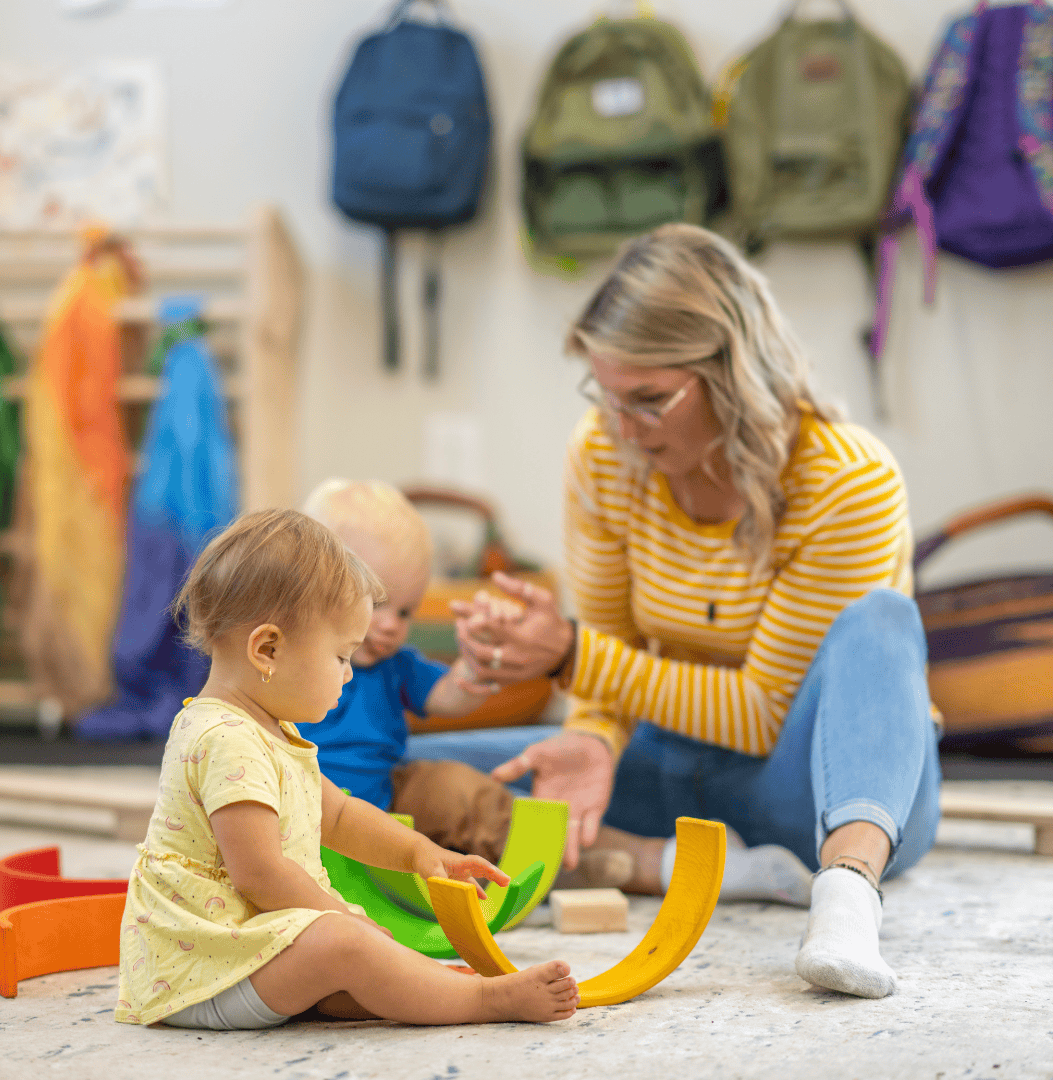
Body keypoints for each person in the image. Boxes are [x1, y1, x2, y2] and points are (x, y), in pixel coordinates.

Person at [454, 224, 941, 1000]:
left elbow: (761, 714)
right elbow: (608, 642)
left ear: (737, 375)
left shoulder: (850, 480)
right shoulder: (605, 453)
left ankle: (845, 896)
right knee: (406, 771)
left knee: (881, 622)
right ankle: (678, 865)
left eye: (649, 401)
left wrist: (568, 655)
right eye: (606, 396)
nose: (621, 427)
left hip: (816, 791)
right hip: (677, 772)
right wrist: (589, 737)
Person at [115, 509, 578, 1030]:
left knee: (363, 960)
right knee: (345, 942)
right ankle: (484, 1003)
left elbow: (336, 816)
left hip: (246, 956)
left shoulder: (269, 730)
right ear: (267, 650)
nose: (350, 672)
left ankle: (436, 988)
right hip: (205, 975)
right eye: (341, 656)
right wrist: (344, 919)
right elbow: (260, 873)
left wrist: (422, 854)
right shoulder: (225, 739)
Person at [295, 479, 518, 864]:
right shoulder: (291, 660)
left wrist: (475, 662)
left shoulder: (396, 666)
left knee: (455, 787)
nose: (391, 625)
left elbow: (449, 696)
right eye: (377, 602)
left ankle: (535, 860)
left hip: (387, 810)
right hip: (299, 818)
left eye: (404, 611)